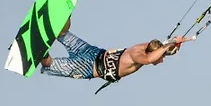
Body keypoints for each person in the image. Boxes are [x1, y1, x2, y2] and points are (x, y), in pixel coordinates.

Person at [40, 18, 193, 88]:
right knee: (48, 64)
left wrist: (176, 43)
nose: (161, 60)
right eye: (160, 58)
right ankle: (39, 48)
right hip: (87, 67)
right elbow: (150, 58)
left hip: (92, 52)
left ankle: (64, 15)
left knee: (61, 33)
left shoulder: (144, 47)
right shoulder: (138, 57)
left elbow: (160, 51)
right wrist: (168, 46)